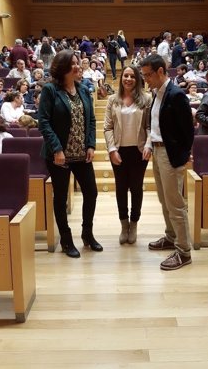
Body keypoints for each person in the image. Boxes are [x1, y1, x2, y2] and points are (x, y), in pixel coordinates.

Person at [38, 49, 102, 258]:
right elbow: (44, 122)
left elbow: (91, 121)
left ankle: (87, 234)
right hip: (59, 156)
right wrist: (57, 149)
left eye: (78, 63)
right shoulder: (50, 90)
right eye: (73, 63)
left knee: (91, 192)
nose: (78, 66)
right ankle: (66, 240)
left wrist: (91, 145)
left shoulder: (83, 90)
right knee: (61, 198)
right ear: (63, 67)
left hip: (82, 153)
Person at [140, 54, 194, 270]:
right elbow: (156, 125)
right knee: (164, 200)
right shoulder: (156, 93)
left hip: (171, 155)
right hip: (158, 151)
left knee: (176, 204)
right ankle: (171, 236)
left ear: (161, 71)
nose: (146, 80)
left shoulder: (176, 94)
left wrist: (180, 157)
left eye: (148, 75)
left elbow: (188, 132)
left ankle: (184, 251)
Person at [104, 65, 152, 244]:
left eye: (132, 76)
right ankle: (124, 225)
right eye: (126, 75)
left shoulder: (146, 99)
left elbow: (149, 126)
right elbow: (108, 127)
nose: (129, 79)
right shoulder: (112, 100)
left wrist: (149, 145)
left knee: (137, 188)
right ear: (121, 78)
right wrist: (112, 150)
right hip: (119, 151)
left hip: (139, 151)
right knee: (121, 188)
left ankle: (134, 223)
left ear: (137, 79)